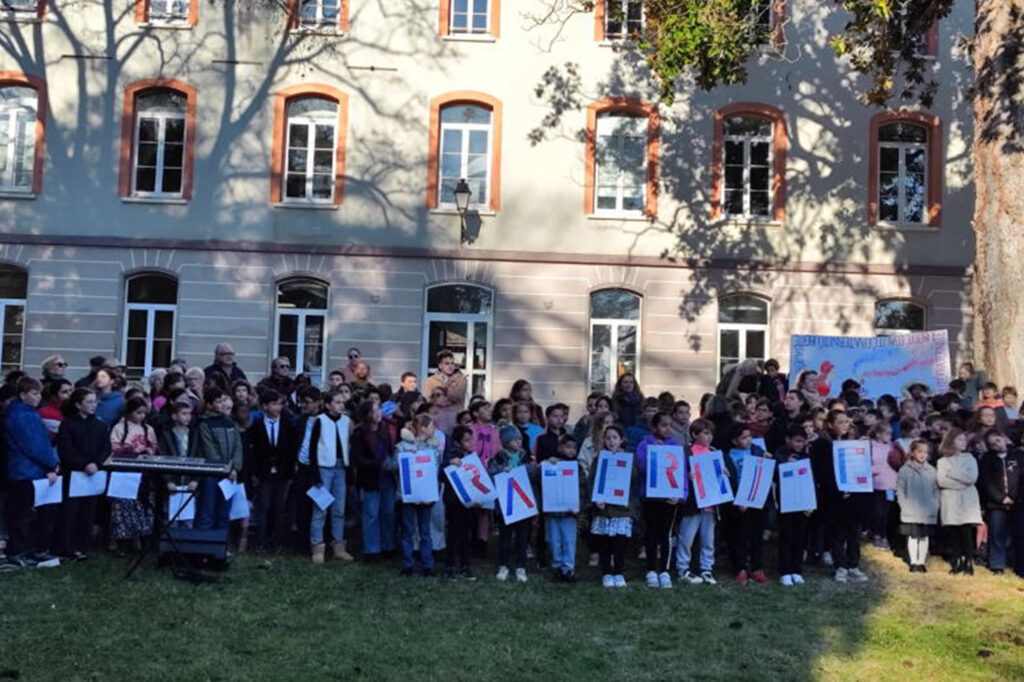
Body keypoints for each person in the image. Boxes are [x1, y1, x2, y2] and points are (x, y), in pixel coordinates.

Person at [4, 377, 61, 568]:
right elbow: (35, 445)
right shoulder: (22, 416)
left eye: (39, 393)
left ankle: (24, 550)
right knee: (22, 514)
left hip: (28, 470)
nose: (38, 397)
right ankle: (18, 551)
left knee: (25, 514)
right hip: (25, 471)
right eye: (34, 393)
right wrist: (51, 464)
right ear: (22, 395)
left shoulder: (23, 414)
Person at [811, 409, 870, 583]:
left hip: (854, 494)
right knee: (836, 532)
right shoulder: (821, 444)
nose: (844, 425)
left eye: (846, 422)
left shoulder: (853, 442)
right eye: (840, 422)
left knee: (854, 532)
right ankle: (840, 566)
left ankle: (853, 565)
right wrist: (838, 489)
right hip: (832, 495)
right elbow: (820, 472)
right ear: (830, 424)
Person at [54, 388, 109, 561]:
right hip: (74, 474)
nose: (93, 405)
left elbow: (106, 448)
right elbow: (66, 450)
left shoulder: (100, 425)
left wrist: (96, 463)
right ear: (78, 405)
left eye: (95, 402)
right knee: (70, 512)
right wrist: (84, 464)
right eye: (89, 402)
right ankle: (66, 546)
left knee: (88, 512)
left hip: (93, 474)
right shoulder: (68, 424)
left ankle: (83, 545)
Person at [306, 388, 353, 564]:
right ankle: (317, 546)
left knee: (339, 509)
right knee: (320, 508)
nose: (341, 405)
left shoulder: (346, 421)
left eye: (342, 402)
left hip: (341, 467)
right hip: (324, 467)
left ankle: (338, 546)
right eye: (337, 402)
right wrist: (315, 474)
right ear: (327, 405)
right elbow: (312, 448)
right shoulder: (320, 420)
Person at [635, 412, 680, 589]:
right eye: (663, 425)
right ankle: (651, 569)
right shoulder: (645, 445)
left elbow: (680, 471)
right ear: (654, 427)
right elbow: (642, 468)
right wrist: (655, 452)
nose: (667, 429)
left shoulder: (675, 445)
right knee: (652, 533)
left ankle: (665, 570)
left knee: (666, 534)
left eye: (670, 425)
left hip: (669, 498)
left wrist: (680, 495)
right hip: (650, 497)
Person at [247, 389, 296, 551]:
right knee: (264, 506)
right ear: (265, 406)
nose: (277, 408)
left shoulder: (288, 424)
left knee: (279, 506)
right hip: (263, 472)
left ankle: (277, 541)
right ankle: (261, 541)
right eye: (274, 404)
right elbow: (253, 452)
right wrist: (255, 472)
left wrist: (290, 471)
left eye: (279, 404)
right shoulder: (256, 426)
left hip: (283, 471)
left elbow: (291, 450)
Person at [395, 413, 443, 577]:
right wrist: (404, 457)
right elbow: (392, 465)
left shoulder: (433, 448)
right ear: (422, 428)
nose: (434, 429)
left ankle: (427, 565)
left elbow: (435, 471)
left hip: (426, 496)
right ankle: (408, 564)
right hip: (408, 495)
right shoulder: (402, 446)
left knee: (425, 531)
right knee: (408, 531)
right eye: (431, 426)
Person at [109, 397, 158, 553]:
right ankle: (120, 540)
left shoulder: (148, 429)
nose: (141, 416)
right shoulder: (119, 428)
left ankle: (140, 537)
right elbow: (112, 447)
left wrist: (148, 450)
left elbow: (154, 448)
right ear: (129, 412)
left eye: (144, 413)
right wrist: (127, 449)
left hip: (143, 473)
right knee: (123, 506)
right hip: (124, 472)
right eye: (138, 412)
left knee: (142, 505)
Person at [589, 424, 635, 588]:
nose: (611, 441)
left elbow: (635, 478)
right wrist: (596, 499)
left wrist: (626, 461)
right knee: (605, 544)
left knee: (620, 544)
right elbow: (592, 480)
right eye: (608, 438)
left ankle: (619, 572)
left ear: (621, 440)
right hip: (604, 509)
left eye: (615, 437)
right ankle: (606, 572)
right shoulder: (599, 459)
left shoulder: (628, 458)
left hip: (622, 509)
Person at [488, 424, 534, 583]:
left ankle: (521, 566)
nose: (519, 442)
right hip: (505, 504)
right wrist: (502, 470)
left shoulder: (526, 457)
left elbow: (533, 473)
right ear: (506, 442)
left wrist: (526, 469)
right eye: (515, 440)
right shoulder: (498, 458)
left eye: (520, 439)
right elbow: (491, 474)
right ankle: (504, 564)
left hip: (523, 504)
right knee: (505, 537)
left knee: (522, 536)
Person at [724, 423, 769, 585]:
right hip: (739, 501)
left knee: (757, 536)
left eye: (749, 436)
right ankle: (740, 568)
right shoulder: (728, 456)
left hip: (757, 499)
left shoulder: (757, 450)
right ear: (734, 441)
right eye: (743, 437)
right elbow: (730, 480)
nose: (748, 440)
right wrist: (739, 500)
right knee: (740, 536)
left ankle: (757, 568)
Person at [675, 418, 718, 586]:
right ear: (694, 434)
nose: (709, 437)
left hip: (710, 504)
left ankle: (706, 568)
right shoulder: (687, 452)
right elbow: (678, 473)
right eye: (705, 433)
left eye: (711, 434)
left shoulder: (713, 452)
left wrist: (723, 472)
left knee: (708, 539)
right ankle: (682, 568)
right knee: (686, 538)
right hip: (693, 503)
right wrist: (687, 476)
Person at [194, 389, 243, 532]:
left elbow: (238, 447)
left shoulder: (231, 423)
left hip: (230, 475)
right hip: (212, 474)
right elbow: (210, 450)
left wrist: (235, 467)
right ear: (209, 405)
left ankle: (221, 542)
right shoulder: (204, 424)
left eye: (224, 401)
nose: (222, 404)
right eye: (218, 402)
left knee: (225, 512)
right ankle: (204, 541)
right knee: (207, 510)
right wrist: (225, 469)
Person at [353, 400, 396, 561]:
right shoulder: (360, 433)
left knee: (388, 511)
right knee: (371, 513)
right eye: (375, 410)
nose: (379, 413)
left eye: (379, 409)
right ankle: (372, 549)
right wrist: (376, 463)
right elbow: (358, 457)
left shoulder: (386, 428)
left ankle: (388, 545)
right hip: (370, 477)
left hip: (387, 475)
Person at [936, 428, 983, 575]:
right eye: (960, 439)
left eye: (964, 439)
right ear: (951, 441)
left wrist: (953, 474)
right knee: (954, 530)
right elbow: (942, 481)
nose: (964, 442)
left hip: (967, 499)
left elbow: (972, 478)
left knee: (966, 530)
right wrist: (961, 483)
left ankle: (968, 560)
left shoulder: (970, 458)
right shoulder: (943, 461)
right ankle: (956, 560)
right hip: (951, 499)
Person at [539, 434, 582, 583]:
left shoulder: (577, 467)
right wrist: (545, 463)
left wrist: (579, 505)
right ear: (560, 448)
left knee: (569, 541)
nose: (571, 451)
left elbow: (583, 488)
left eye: (574, 448)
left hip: (570, 513)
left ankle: (568, 568)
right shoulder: (551, 464)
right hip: (552, 512)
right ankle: (557, 567)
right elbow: (537, 477)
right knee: (554, 541)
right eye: (568, 447)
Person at [978, 429, 1021, 575]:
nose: (997, 445)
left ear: (1003, 438)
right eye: (992, 444)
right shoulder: (987, 459)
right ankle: (997, 564)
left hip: (1017, 502)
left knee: (1018, 534)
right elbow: (986, 482)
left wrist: (1014, 496)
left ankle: (1017, 563)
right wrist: (1001, 498)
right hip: (996, 504)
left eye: (998, 441)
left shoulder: (1018, 455)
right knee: (997, 533)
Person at [774, 424, 812, 586]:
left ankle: (796, 569)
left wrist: (810, 503)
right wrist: (785, 466)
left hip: (803, 503)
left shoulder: (806, 457)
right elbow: (774, 477)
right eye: (797, 441)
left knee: (800, 536)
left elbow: (811, 481)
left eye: (802, 442)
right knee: (786, 536)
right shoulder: (779, 455)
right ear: (787, 439)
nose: (799, 445)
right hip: (785, 502)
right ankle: (785, 570)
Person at [897, 439, 940, 573]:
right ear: (912, 452)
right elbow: (900, 489)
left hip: (927, 508)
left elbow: (936, 489)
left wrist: (935, 503)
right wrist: (904, 504)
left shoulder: (932, 471)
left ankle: (921, 561)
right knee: (913, 536)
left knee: (924, 536)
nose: (923, 455)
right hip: (911, 508)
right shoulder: (905, 470)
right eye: (919, 451)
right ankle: (913, 562)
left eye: (925, 452)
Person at [443, 425, 479, 580]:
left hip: (468, 502)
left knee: (465, 534)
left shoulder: (472, 457)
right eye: (466, 440)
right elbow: (442, 475)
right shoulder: (450, 456)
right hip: (454, 502)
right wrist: (450, 463)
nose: (470, 443)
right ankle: (450, 565)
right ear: (457, 442)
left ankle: (465, 564)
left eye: (471, 440)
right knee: (453, 533)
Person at [868, 422, 899, 551]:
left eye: (890, 434)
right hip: (877, 484)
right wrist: (873, 470)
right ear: (878, 434)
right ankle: (876, 534)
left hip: (890, 484)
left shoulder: (892, 446)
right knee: (878, 512)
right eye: (887, 433)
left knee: (887, 512)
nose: (889, 436)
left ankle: (884, 535)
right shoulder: (870, 446)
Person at [423, 350, 467, 435]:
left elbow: (457, 397)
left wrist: (440, 394)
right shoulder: (431, 380)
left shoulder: (461, 379)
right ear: (440, 366)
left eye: (452, 363)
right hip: (437, 421)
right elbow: (428, 399)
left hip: (455, 419)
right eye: (447, 364)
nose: (450, 366)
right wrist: (447, 384)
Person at [38, 379, 72, 444]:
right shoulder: (45, 412)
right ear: (54, 396)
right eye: (64, 392)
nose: (70, 394)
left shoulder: (74, 410)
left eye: (71, 390)